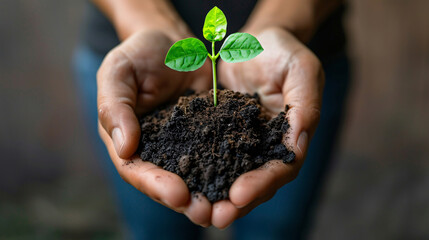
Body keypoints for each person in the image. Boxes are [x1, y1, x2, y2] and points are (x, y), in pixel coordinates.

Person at [73, 0, 350, 239]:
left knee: (275, 231)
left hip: (288, 70)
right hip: (141, 68)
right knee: (156, 232)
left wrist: (282, 23)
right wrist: (144, 21)